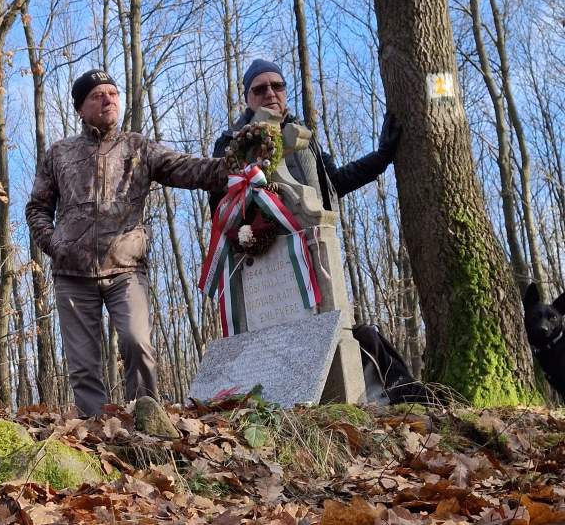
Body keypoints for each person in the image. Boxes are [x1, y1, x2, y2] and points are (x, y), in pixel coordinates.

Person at [25, 70, 233, 417]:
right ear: (79, 107)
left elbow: (190, 169)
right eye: (97, 95)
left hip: (126, 269)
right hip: (72, 273)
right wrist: (53, 242)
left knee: (138, 343)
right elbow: (37, 207)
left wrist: (235, 164)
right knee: (82, 363)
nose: (108, 99)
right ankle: (93, 430)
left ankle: (146, 422)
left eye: (113, 93)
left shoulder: (138, 147)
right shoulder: (59, 153)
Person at [209, 59, 400, 213]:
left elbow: (334, 183)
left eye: (277, 86)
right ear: (246, 98)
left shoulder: (302, 135)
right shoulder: (231, 142)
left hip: (317, 239)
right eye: (260, 89)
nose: (270, 93)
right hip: (263, 252)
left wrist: (381, 158)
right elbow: (221, 207)